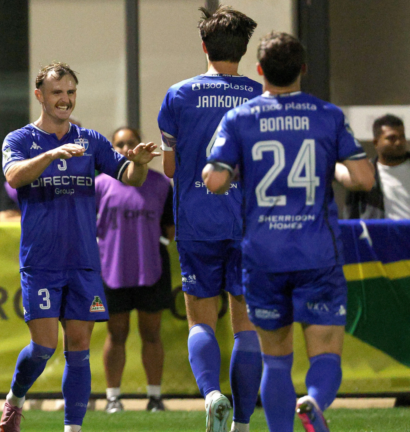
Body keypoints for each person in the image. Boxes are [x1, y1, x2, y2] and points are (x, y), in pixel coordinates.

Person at [203, 31, 374, 432]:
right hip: (317, 253)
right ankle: (313, 400)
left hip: (263, 256)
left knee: (276, 358)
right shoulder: (327, 115)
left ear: (260, 70)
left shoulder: (240, 119)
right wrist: (332, 166)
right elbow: (364, 178)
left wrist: (226, 166)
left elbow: (214, 181)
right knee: (326, 354)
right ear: (303, 69)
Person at [0, 62, 159, 432]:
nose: (65, 100)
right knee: (42, 347)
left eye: (70, 92)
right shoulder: (19, 140)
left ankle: (73, 428)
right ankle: (15, 399)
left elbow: (130, 178)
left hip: (83, 260)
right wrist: (51, 155)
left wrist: (139, 164)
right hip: (41, 260)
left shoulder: (92, 140)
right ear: (40, 96)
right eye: (57, 93)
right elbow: (13, 176)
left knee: (79, 347)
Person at [157, 5, 263, 431]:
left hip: (197, 222)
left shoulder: (178, 94)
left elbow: (168, 168)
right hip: (246, 224)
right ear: (244, 49)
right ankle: (241, 424)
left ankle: (211, 394)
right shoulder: (259, 95)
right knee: (246, 327)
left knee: (200, 320)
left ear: (204, 46)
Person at [96, 127, 174, 414]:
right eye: (119, 144)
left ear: (140, 146)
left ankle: (154, 398)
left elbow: (170, 228)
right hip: (111, 270)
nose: (126, 148)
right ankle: (113, 398)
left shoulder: (161, 184)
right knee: (116, 335)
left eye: (131, 142)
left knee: (152, 334)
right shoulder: (100, 183)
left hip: (150, 270)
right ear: (112, 149)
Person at [344, 114, 410, 219]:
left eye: (402, 137)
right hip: (380, 234)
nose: (399, 143)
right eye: (391, 138)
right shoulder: (364, 173)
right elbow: (352, 214)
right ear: (376, 142)